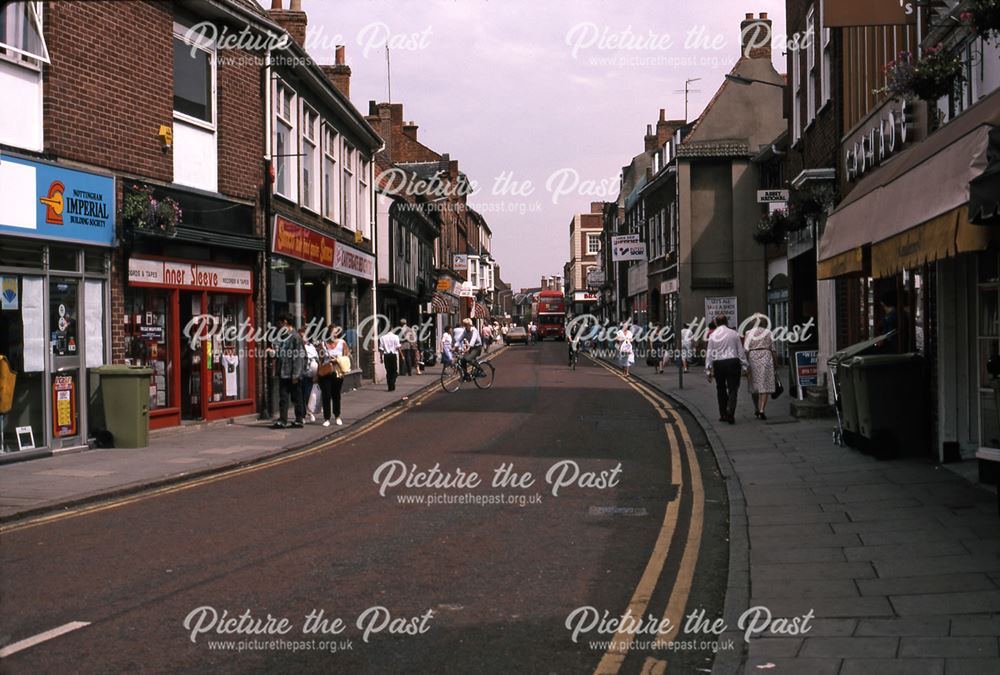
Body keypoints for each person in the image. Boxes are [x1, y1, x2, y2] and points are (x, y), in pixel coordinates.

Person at [705, 314, 747, 424]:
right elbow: (740, 351)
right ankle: (730, 411)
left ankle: (723, 414)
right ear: (727, 322)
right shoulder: (734, 334)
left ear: (716, 323)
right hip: (733, 362)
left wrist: (708, 370)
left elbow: (709, 353)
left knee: (721, 389)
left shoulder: (713, 335)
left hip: (719, 364)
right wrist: (745, 366)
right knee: (733, 389)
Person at [269, 313, 305, 429]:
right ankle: (282, 420)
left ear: (285, 322)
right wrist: (274, 353)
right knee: (283, 398)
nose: (279, 327)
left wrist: (296, 374)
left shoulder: (295, 337)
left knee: (296, 397)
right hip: (283, 373)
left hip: (292, 374)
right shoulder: (284, 337)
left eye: (280, 324)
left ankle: (299, 419)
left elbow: (299, 357)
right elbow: (281, 354)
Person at [744, 313, 777, 420]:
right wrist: (776, 362)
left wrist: (745, 364)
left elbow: (746, 350)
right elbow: (773, 349)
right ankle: (762, 409)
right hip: (766, 357)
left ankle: (756, 408)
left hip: (753, 358)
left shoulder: (748, 333)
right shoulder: (769, 332)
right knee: (765, 384)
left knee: (754, 385)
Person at [318, 326, 349, 427]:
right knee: (326, 395)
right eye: (333, 333)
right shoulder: (323, 343)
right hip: (326, 372)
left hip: (337, 372)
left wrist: (337, 359)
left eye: (336, 333)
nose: (335, 335)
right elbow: (320, 359)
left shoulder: (342, 343)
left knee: (336, 395)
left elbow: (346, 356)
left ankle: (337, 416)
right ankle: (326, 418)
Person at [299, 327, 320, 423]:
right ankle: (302, 415)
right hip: (299, 374)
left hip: (309, 374)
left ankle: (310, 412)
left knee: (308, 395)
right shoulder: (297, 347)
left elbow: (316, 360)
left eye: (303, 336)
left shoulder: (311, 347)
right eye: (301, 336)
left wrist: (316, 375)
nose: (302, 338)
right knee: (300, 396)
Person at [379, 327, 401, 392]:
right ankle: (392, 384)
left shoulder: (382, 338)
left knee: (388, 371)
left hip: (386, 356)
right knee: (394, 371)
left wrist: (381, 358)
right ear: (392, 329)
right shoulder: (396, 337)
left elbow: (381, 349)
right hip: (393, 355)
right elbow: (398, 347)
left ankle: (389, 387)